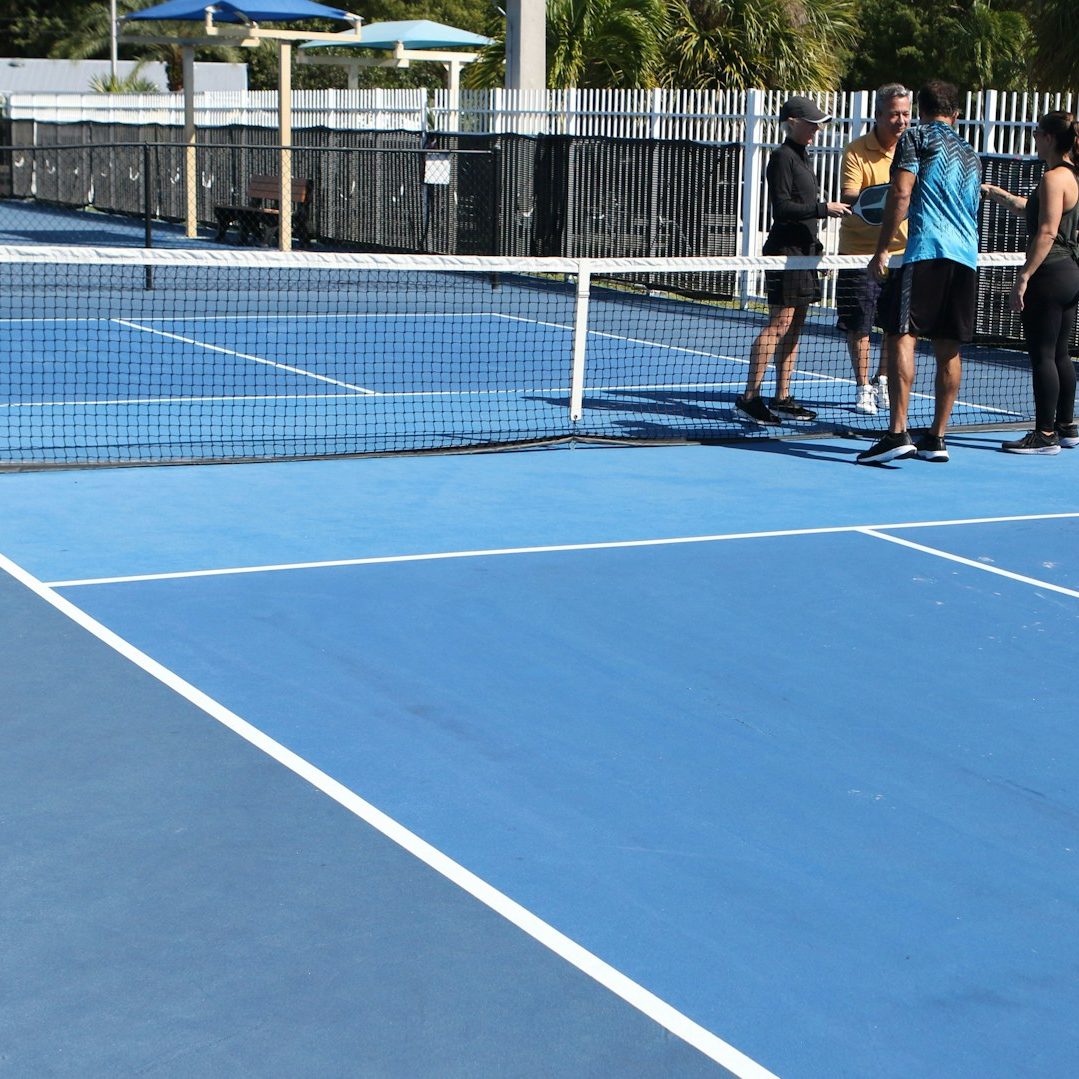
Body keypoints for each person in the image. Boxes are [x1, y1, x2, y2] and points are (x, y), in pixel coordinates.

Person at [857, 80, 982, 465]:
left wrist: (881, 249)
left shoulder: (915, 138)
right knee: (949, 348)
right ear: (955, 114)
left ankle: (897, 433)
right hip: (966, 259)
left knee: (901, 336)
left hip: (926, 251)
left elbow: (901, 193)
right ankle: (936, 438)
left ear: (922, 111)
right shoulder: (971, 154)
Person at [736, 96, 850, 425]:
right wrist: (823, 208)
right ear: (793, 123)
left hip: (804, 255)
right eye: (811, 124)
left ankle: (782, 396)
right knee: (779, 325)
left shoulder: (802, 156)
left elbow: (804, 212)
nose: (816, 129)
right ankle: (749, 398)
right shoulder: (781, 158)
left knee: (795, 326)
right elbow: (783, 208)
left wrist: (817, 245)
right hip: (784, 254)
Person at [981, 111, 1079, 454]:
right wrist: (996, 193)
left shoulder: (1053, 178)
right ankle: (1066, 426)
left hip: (1050, 273)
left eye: (1037, 133)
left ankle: (1045, 434)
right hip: (1069, 273)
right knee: (1060, 353)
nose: (1034, 139)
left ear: (1049, 138)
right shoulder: (1071, 177)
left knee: (1042, 355)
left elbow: (1047, 231)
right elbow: (1034, 211)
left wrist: (1024, 275)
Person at [837, 84, 912, 415]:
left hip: (902, 254)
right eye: (895, 114)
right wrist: (892, 199)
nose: (901, 121)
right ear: (879, 115)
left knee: (895, 326)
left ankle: (882, 380)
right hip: (860, 252)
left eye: (906, 114)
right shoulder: (856, 150)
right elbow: (850, 195)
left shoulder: (913, 149)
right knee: (860, 325)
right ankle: (862, 386)